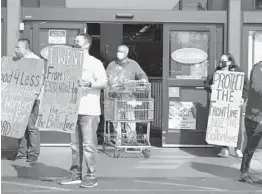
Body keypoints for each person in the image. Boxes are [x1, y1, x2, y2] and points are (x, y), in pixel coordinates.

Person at [59, 33, 107, 188]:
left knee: (88, 144)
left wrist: (89, 84)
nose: (74, 44)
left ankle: (91, 175)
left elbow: (104, 82)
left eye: (77, 42)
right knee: (74, 144)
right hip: (73, 108)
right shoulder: (68, 63)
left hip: (89, 109)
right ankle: (76, 173)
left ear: (86, 45)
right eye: (74, 42)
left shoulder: (95, 63)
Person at [204, 53, 249, 158]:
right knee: (224, 125)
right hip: (221, 105)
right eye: (220, 60)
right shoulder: (216, 72)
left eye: (223, 61)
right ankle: (225, 149)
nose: (221, 63)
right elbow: (206, 83)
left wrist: (243, 98)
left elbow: (246, 86)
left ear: (229, 62)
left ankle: (238, 149)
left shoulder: (238, 72)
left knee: (236, 125)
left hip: (235, 104)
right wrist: (210, 86)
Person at [106, 45, 148, 146]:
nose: (119, 53)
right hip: (116, 97)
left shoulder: (133, 64)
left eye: (121, 51)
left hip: (129, 97)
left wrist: (143, 80)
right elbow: (106, 78)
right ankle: (118, 140)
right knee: (116, 119)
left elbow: (142, 75)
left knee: (130, 119)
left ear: (126, 53)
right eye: (118, 51)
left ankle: (131, 140)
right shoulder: (112, 64)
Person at [14, 38, 43, 163]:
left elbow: (40, 79)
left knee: (32, 127)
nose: (15, 50)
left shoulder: (36, 60)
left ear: (26, 48)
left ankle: (33, 153)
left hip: (32, 98)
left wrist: (34, 93)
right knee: (21, 126)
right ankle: (22, 152)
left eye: (18, 47)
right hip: (20, 97)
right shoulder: (16, 61)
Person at [240, 61, 262, 183]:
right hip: (254, 117)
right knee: (251, 146)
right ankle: (244, 171)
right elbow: (257, 88)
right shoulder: (257, 69)